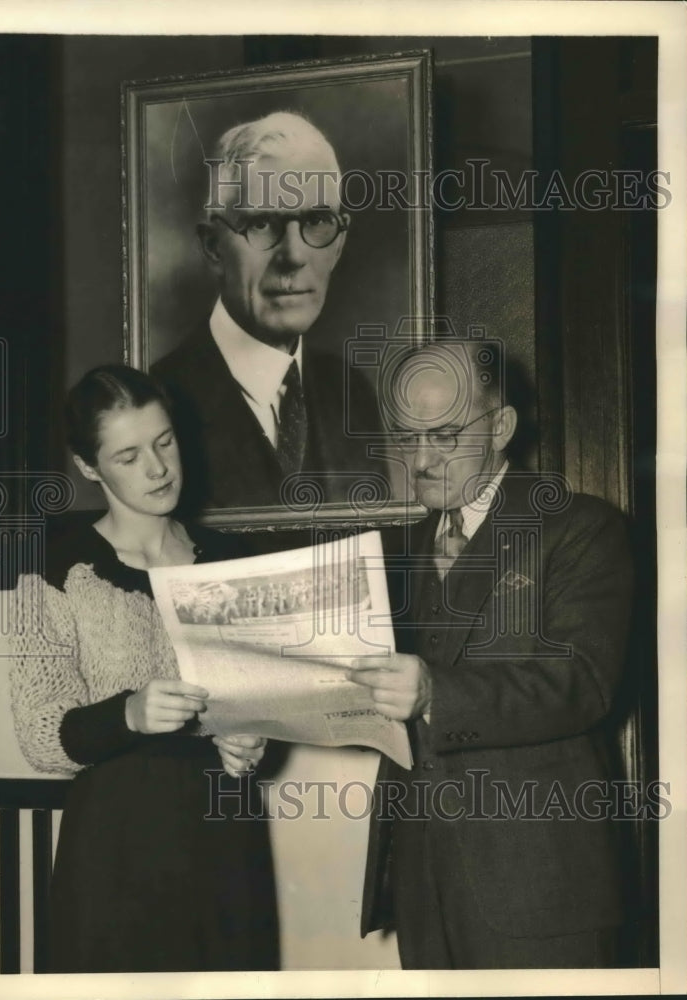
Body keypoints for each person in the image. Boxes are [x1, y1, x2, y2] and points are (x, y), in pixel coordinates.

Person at [350, 342, 633, 969]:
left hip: (539, 883)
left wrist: (435, 695)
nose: (420, 460)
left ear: (501, 427)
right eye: (407, 435)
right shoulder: (395, 551)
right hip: (423, 878)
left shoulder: (580, 528)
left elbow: (582, 682)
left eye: (446, 435)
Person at [9, 364, 279, 973]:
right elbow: (39, 735)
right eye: (128, 455)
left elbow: (270, 714)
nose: (158, 469)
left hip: (227, 845)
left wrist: (254, 742)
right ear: (88, 466)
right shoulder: (54, 569)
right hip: (116, 852)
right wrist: (129, 712)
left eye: (164, 442)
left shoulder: (235, 564)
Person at [151, 110, 386, 511]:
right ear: (212, 247)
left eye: (316, 220)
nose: (293, 256)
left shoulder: (352, 395)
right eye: (261, 223)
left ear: (340, 243)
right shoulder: (159, 399)